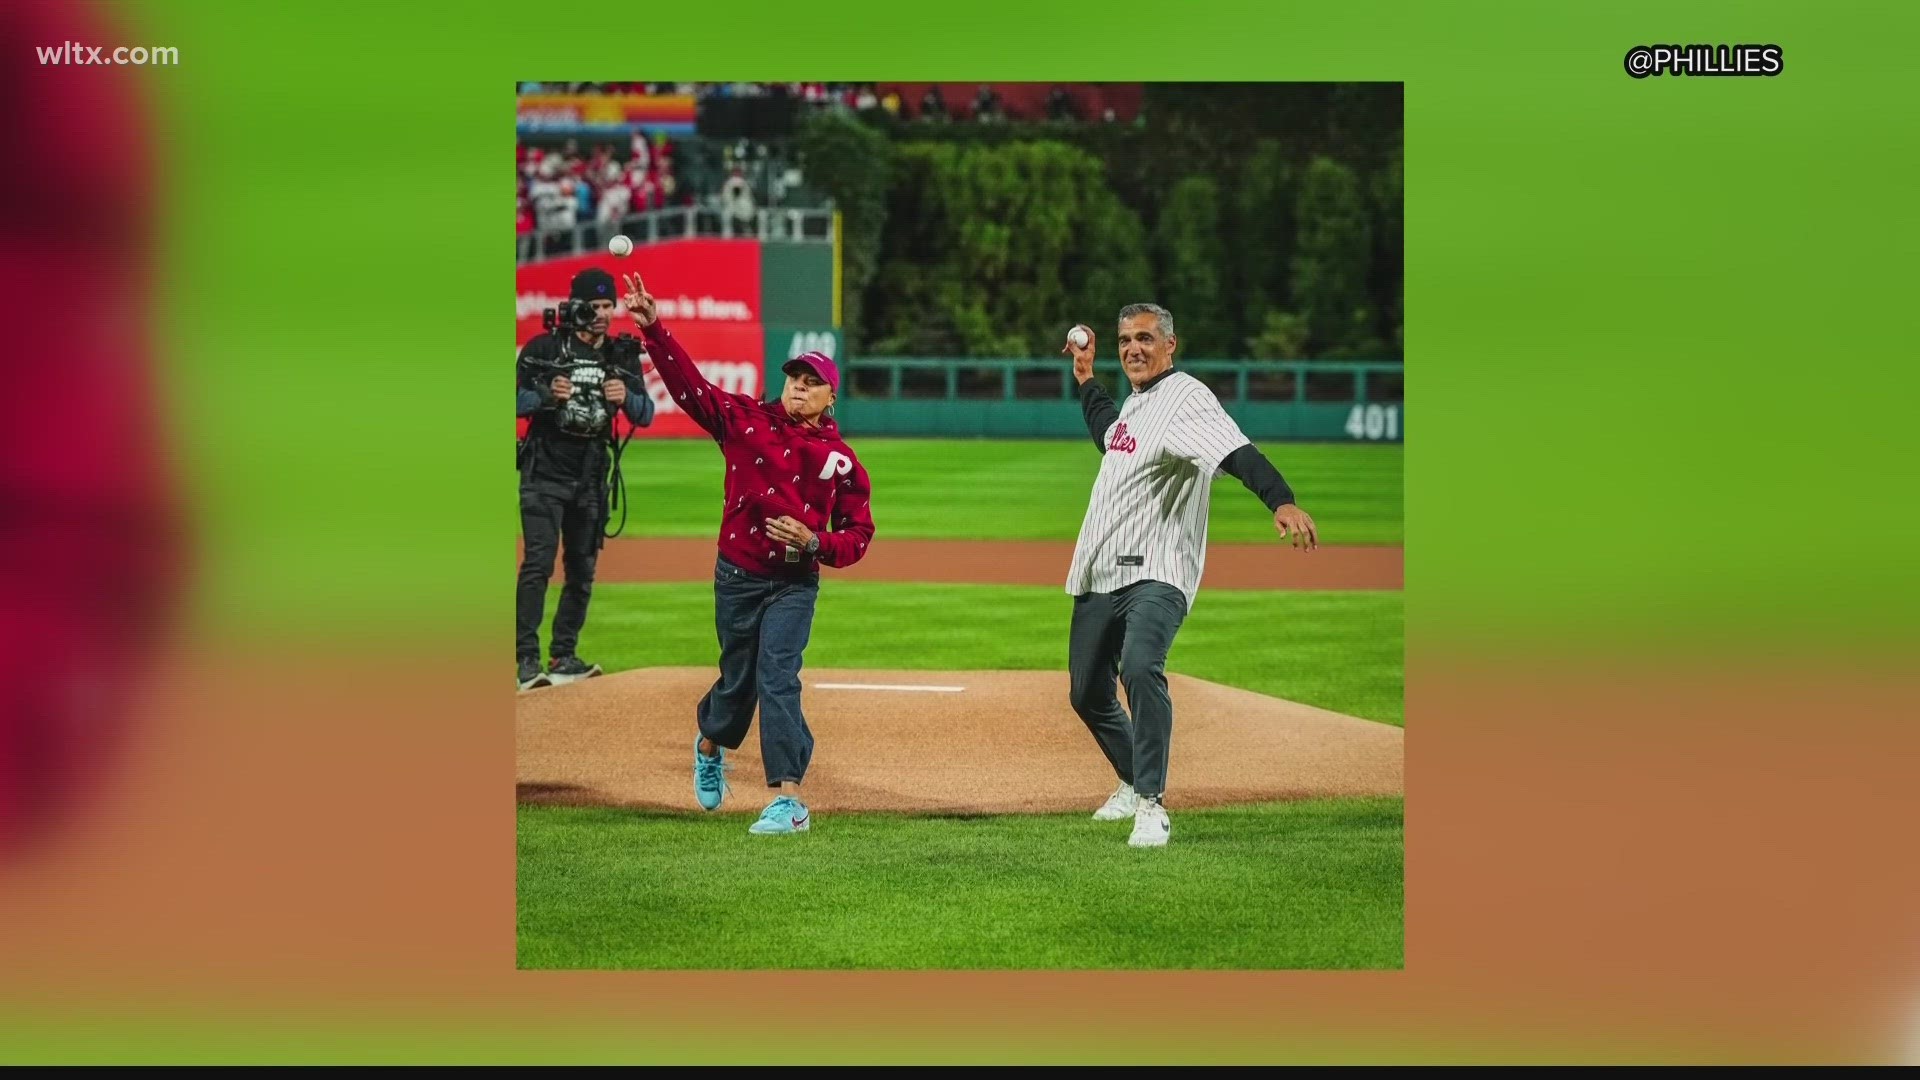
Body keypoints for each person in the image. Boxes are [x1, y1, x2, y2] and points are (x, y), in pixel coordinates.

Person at [619, 271, 875, 836]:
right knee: (739, 681)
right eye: (794, 377)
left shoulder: (841, 460)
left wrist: (817, 544)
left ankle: (789, 800)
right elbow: (690, 389)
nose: (799, 386)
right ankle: (710, 741)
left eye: (813, 381)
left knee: (778, 675)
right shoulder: (745, 422)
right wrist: (655, 330)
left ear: (832, 395)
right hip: (737, 575)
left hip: (794, 583)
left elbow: (858, 533)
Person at [1060, 303, 1318, 848]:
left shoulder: (1188, 398)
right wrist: (1086, 380)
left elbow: (1238, 452)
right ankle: (1131, 780)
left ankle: (1151, 805)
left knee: (1140, 665)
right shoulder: (1136, 403)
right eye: (1126, 339)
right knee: (1086, 692)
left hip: (1159, 569)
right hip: (1102, 569)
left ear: (1170, 345)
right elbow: (1111, 435)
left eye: (1146, 338)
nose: (1134, 348)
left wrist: (1281, 501)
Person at [515, 268, 656, 691]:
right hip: (544, 473)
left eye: (607, 305)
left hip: (591, 477)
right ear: (575, 305)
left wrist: (626, 397)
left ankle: (564, 655)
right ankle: (526, 659)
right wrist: (543, 396)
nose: (601, 314)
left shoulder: (620, 354)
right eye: (593, 306)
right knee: (538, 564)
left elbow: (644, 414)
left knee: (581, 570)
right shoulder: (544, 348)